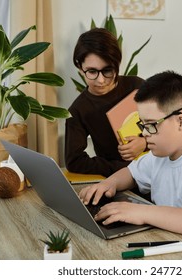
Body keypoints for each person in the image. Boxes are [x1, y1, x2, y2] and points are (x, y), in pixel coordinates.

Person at [79, 71, 182, 249]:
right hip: (181, 246)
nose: (145, 133)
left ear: (181, 121)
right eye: (142, 125)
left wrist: (144, 213)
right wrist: (109, 184)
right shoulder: (160, 156)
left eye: (151, 125)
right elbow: (132, 173)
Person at [65, 28, 147, 177]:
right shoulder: (78, 110)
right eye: (92, 71)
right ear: (80, 68)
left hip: (157, 173)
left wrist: (145, 143)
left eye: (108, 70)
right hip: (119, 180)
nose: (101, 80)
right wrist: (122, 169)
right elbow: (74, 161)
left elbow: (169, 130)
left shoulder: (137, 87)